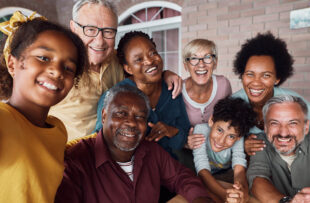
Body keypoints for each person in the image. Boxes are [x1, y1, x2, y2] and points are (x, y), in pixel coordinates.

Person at [55, 85, 214, 203]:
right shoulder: (76, 160)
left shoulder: (151, 150)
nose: (131, 123)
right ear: (104, 116)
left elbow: (181, 177)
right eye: (121, 113)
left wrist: (200, 198)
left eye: (139, 117)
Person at [49, 0, 182, 141]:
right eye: (90, 30)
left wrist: (165, 74)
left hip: (116, 151)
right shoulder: (57, 69)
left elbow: (144, 66)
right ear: (74, 28)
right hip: (68, 156)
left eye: (108, 31)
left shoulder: (117, 58)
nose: (99, 41)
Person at [0, 11, 86, 202]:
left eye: (68, 68)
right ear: (12, 64)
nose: (57, 71)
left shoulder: (57, 129)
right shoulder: (3, 120)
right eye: (44, 58)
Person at [94, 31, 190, 158]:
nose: (149, 61)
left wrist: (172, 131)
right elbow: (100, 143)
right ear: (128, 68)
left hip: (168, 165)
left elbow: (182, 136)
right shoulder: (114, 97)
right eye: (139, 59)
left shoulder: (172, 89)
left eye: (153, 53)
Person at [231, 32, 310, 156]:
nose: (256, 83)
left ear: (277, 78)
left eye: (266, 75)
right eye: (250, 74)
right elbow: (219, 140)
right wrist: (240, 145)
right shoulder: (232, 104)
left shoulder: (295, 102)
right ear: (242, 75)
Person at [247, 95, 310, 203]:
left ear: (306, 127)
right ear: (266, 128)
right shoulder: (258, 142)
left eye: (292, 123)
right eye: (274, 123)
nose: (283, 133)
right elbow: (257, 180)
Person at [193, 97, 256, 203]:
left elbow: (239, 168)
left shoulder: (238, 138)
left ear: (239, 137)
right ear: (211, 121)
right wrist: (223, 194)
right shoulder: (200, 130)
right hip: (205, 175)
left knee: (246, 185)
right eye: (219, 130)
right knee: (198, 186)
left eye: (231, 136)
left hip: (227, 173)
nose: (221, 141)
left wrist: (240, 189)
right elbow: (202, 169)